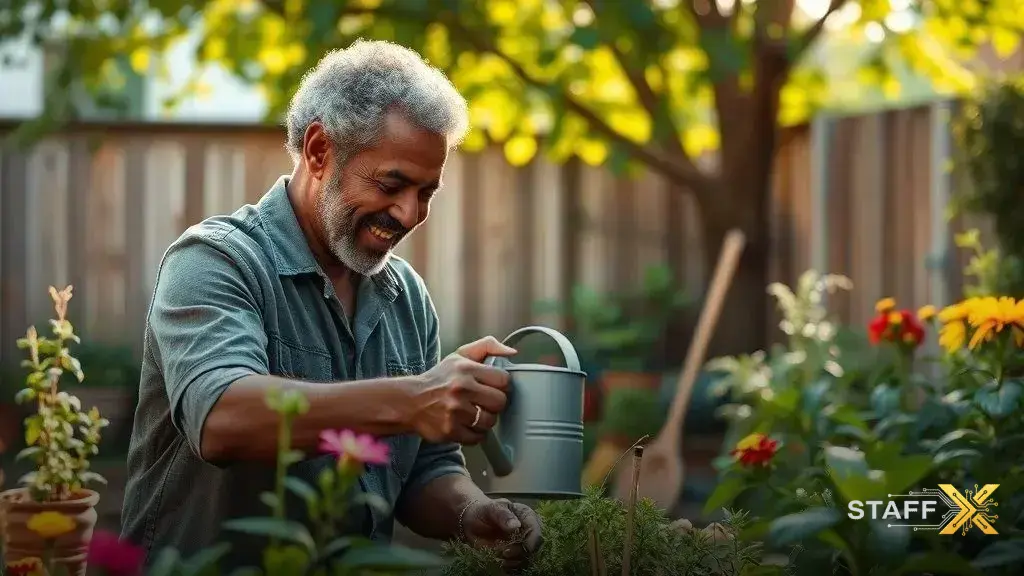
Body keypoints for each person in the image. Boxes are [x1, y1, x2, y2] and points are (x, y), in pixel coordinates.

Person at [120, 39, 542, 571]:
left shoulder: (407, 299)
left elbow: (424, 470)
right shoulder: (214, 261)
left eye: (427, 192)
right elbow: (222, 419)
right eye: (393, 184)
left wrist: (471, 511)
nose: (410, 213)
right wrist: (414, 399)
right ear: (320, 151)